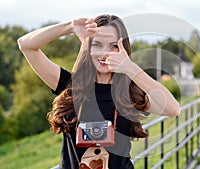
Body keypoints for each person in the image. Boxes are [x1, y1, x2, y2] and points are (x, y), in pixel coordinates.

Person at [18, 14, 180, 169]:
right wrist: (70, 26)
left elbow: (173, 109)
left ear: (123, 50)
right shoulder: (71, 86)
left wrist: (131, 68)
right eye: (97, 44)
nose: (104, 53)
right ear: (87, 47)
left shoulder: (131, 92)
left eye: (113, 46)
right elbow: (26, 45)